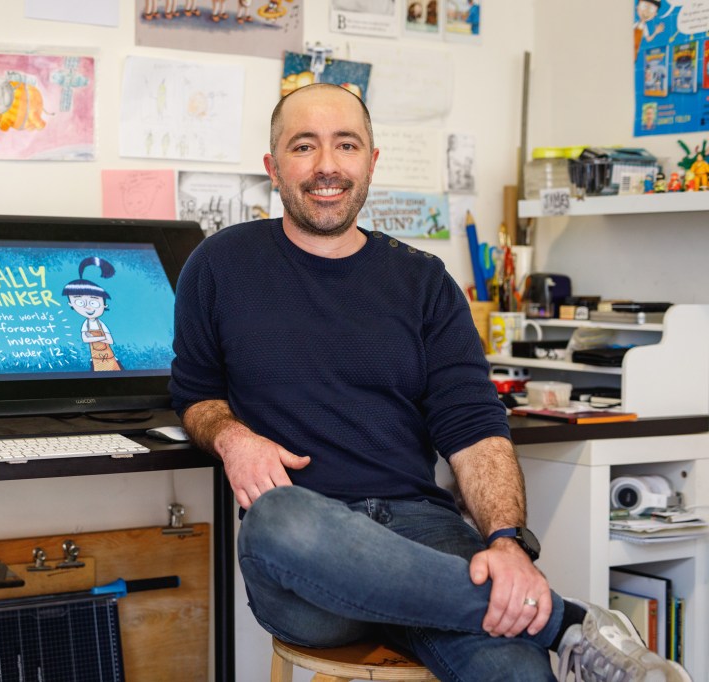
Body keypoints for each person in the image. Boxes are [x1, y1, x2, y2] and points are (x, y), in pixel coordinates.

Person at [168, 83, 691, 681]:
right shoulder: (219, 265)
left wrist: (507, 543)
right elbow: (195, 395)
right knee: (277, 519)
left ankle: (539, 622)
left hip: (422, 538)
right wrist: (234, 438)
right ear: (273, 167)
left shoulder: (423, 282)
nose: (327, 166)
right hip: (307, 554)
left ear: (371, 160)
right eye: (303, 146)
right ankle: (566, 623)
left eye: (346, 144)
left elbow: (474, 430)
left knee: (515, 668)